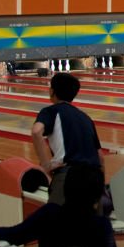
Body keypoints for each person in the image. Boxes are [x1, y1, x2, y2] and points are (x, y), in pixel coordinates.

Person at [32, 72, 103, 205]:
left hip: (70, 176)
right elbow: (100, 157)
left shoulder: (50, 111)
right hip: (95, 177)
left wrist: (46, 165)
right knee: (90, 224)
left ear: (52, 91)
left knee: (59, 223)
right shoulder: (86, 118)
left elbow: (36, 132)